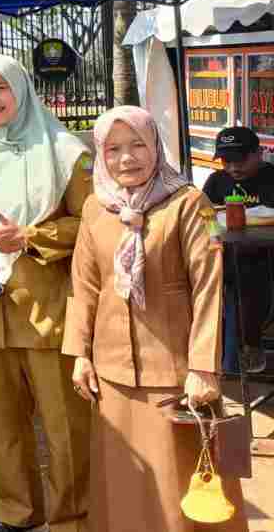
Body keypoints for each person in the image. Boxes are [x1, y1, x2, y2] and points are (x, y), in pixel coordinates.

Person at [64, 106, 248, 532]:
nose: (126, 158)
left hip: (176, 374)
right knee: (123, 486)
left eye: (138, 146)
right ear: (101, 154)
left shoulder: (189, 203)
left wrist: (203, 367)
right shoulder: (96, 207)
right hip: (113, 376)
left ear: (156, 147)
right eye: (114, 149)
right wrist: (80, 355)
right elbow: (83, 285)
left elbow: (209, 286)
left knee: (179, 483)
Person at [0, 55, 91, 532]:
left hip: (47, 309)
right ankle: (17, 513)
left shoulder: (63, 150)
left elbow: (91, 225)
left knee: (65, 426)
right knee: (3, 424)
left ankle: (71, 518)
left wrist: (31, 236)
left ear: (22, 90)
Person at [202, 125, 273, 374]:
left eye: (240, 159)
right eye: (226, 161)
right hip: (225, 256)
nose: (233, 168)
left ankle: (250, 344)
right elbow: (205, 216)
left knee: (249, 282)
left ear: (258, 153)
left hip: (263, 258)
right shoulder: (216, 181)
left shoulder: (270, 178)